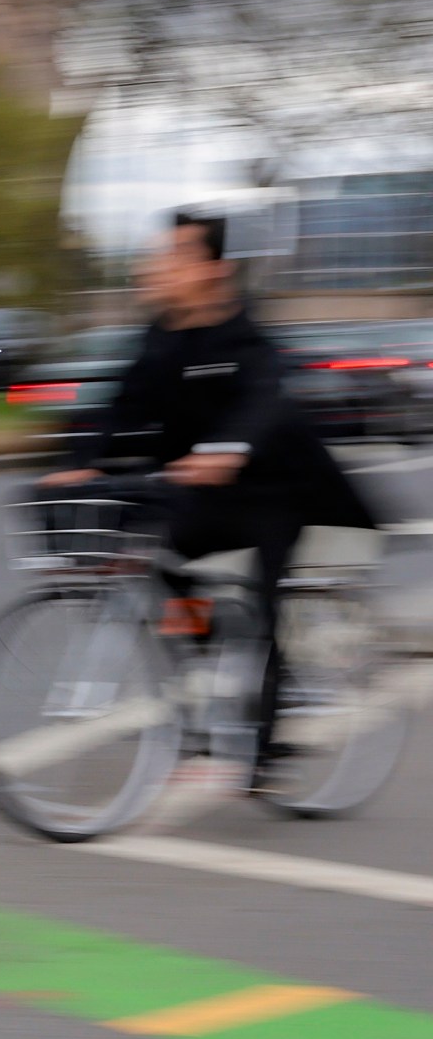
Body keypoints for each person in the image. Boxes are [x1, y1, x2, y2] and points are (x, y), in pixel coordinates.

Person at [40, 207, 375, 785]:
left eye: (174, 256)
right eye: (157, 255)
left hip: (277, 493)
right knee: (156, 561)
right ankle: (212, 637)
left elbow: (262, 398)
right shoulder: (159, 339)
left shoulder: (246, 338)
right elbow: (119, 409)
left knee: (264, 607)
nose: (157, 266)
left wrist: (228, 446)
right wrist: (76, 466)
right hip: (202, 492)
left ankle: (261, 745)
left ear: (215, 270)